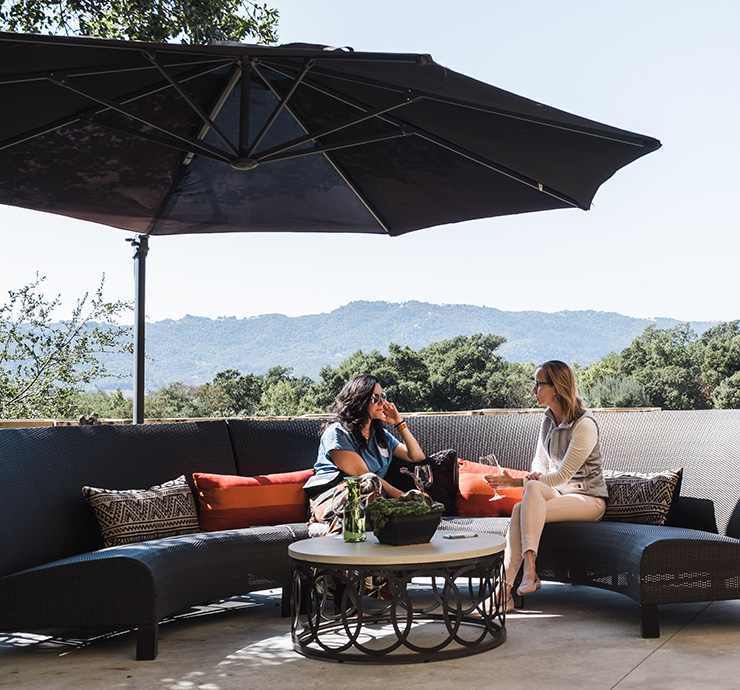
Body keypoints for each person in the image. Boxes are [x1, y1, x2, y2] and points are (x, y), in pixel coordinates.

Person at [483, 360, 608, 611]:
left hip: (589, 500)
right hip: (559, 495)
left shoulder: (585, 425)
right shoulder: (548, 420)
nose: (533, 390)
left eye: (539, 384)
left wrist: (514, 482)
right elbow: (539, 463)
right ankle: (516, 583)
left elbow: (563, 475)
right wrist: (528, 479)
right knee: (529, 495)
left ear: (557, 387)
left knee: (521, 510)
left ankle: (513, 584)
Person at [308, 374, 427, 535]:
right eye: (375, 398)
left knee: (422, 504)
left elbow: (416, 457)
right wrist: (404, 497)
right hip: (333, 498)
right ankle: (329, 527)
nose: (382, 402)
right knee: (368, 484)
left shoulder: (380, 436)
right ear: (360, 401)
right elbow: (362, 475)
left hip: (373, 501)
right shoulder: (337, 433)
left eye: (382, 396)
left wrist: (399, 423)